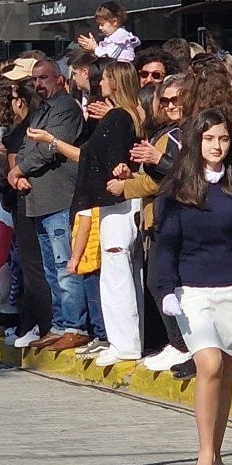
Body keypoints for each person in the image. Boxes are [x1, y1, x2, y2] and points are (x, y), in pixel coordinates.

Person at [150, 109, 232, 465]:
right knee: (207, 364)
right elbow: (166, 246)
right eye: (209, 139)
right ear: (196, 142)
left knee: (223, 371)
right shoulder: (176, 190)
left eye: (223, 139)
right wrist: (164, 290)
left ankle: (217, 453)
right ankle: (205, 454)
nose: (217, 146)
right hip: (191, 290)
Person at [72, 60, 144, 366]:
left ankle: (124, 342)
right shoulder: (129, 116)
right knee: (124, 272)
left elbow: (112, 159)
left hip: (117, 201)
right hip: (119, 201)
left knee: (117, 273)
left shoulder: (118, 118)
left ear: (115, 83)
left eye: (105, 79)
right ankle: (125, 339)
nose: (100, 83)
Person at [15, 58, 88, 350]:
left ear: (59, 79)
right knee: (50, 269)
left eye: (44, 77)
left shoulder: (66, 108)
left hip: (60, 198)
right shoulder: (40, 112)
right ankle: (59, 324)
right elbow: (25, 148)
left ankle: (74, 325)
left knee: (65, 265)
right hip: (39, 201)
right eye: (35, 79)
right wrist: (16, 171)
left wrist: (18, 170)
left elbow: (49, 150)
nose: (39, 84)